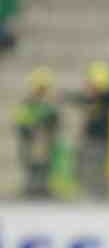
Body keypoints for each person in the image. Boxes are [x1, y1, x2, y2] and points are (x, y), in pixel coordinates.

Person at [15, 67, 61, 199]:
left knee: (45, 168)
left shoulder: (51, 105)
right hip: (30, 141)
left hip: (46, 142)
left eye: (44, 88)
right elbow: (20, 122)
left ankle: (43, 189)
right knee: (31, 167)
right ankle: (31, 190)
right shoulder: (27, 103)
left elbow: (56, 122)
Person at [72, 61, 109, 199]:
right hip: (90, 138)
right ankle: (89, 192)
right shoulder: (91, 98)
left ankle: (100, 193)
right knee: (87, 166)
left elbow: (107, 97)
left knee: (98, 167)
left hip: (101, 139)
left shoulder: (107, 97)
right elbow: (78, 99)